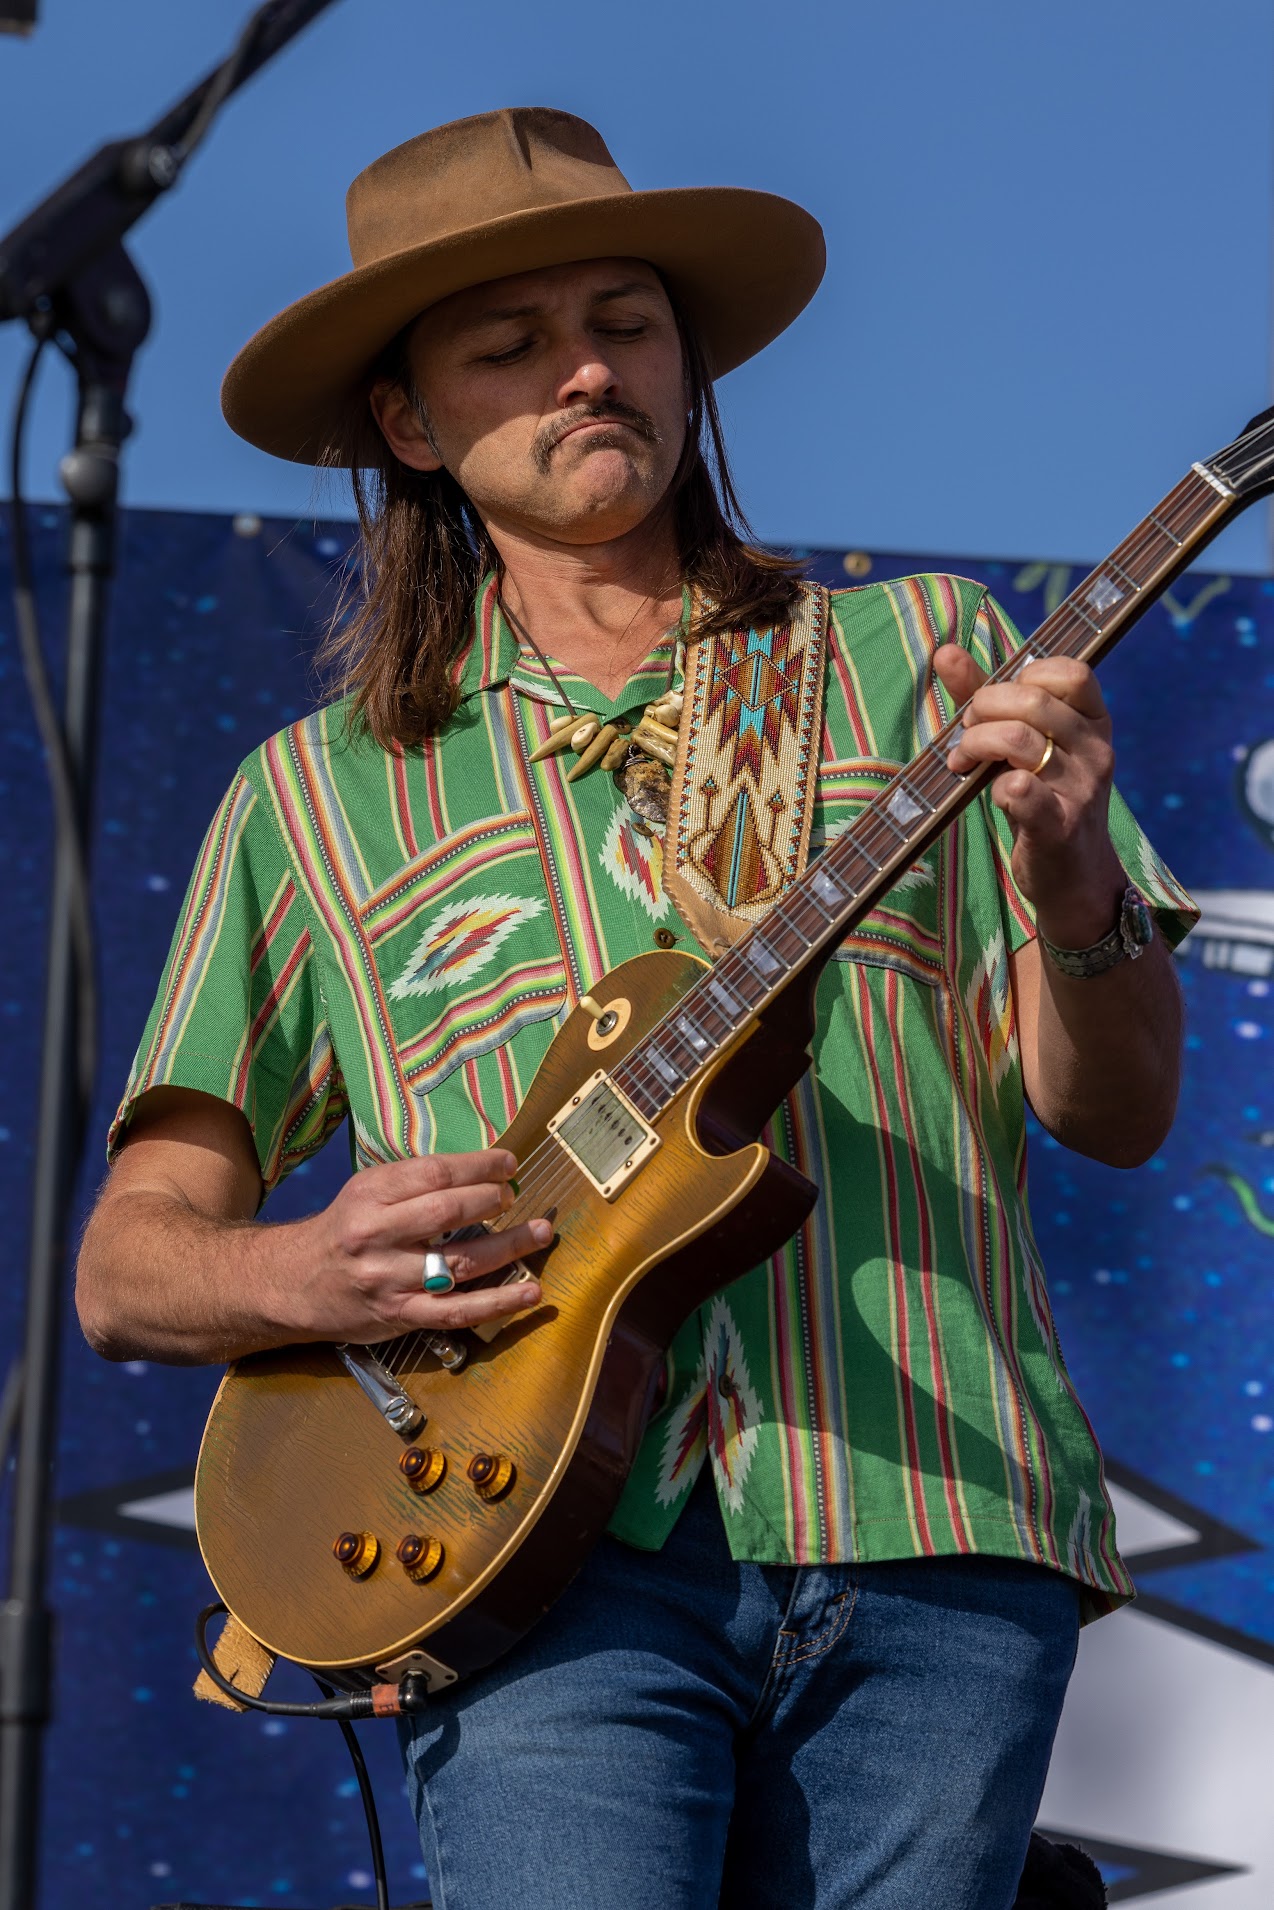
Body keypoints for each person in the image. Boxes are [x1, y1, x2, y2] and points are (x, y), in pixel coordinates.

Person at [76, 107, 1194, 1909]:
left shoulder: (922, 661)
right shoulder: (312, 794)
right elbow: (128, 1268)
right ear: (409, 423)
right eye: (510, 344)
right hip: (529, 1547)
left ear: (685, 364)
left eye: (625, 322)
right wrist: (301, 1270)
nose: (587, 369)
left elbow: (1118, 1111)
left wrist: (1074, 887)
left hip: (931, 1519)